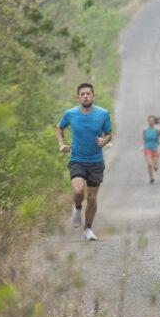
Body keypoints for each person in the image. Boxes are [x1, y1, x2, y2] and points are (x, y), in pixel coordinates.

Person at [56, 83, 113, 241]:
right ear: (78, 97)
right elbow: (59, 127)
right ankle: (77, 208)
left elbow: (109, 134)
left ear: (93, 96)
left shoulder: (103, 114)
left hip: (96, 161)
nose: (86, 96)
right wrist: (61, 144)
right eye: (83, 94)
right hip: (77, 159)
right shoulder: (71, 114)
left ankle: (88, 228)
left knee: (92, 198)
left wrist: (104, 140)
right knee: (79, 191)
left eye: (88, 94)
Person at [142, 115, 160, 184]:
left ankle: (155, 166)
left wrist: (159, 147)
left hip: (155, 148)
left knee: (155, 167)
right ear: (148, 121)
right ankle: (151, 178)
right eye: (149, 121)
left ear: (154, 122)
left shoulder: (157, 130)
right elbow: (144, 139)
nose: (151, 122)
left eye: (152, 121)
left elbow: (159, 139)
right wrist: (143, 146)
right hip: (147, 148)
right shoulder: (145, 129)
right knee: (150, 164)